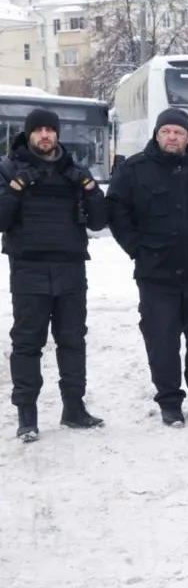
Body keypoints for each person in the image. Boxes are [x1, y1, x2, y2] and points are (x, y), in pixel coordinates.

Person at [107, 108, 188, 427]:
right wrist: (136, 248)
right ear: (156, 134)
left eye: (179, 132)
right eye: (166, 131)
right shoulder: (134, 170)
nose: (172, 137)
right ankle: (169, 401)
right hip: (156, 271)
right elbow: (117, 211)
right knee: (161, 337)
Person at [0, 109, 110, 441]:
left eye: (50, 130)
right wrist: (16, 188)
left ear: (57, 134)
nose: (45, 135)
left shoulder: (74, 169)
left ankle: (74, 409)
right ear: (28, 134)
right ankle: (27, 416)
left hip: (70, 267)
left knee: (73, 341)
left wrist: (89, 187)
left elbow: (99, 220)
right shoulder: (8, 168)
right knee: (27, 343)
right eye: (39, 130)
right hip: (29, 268)